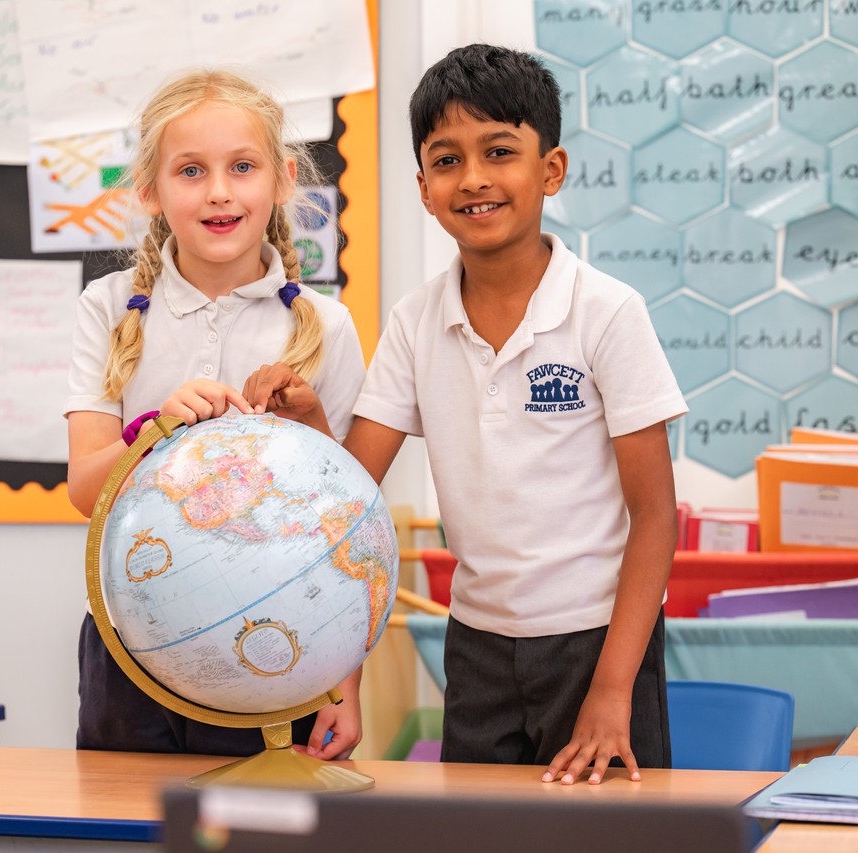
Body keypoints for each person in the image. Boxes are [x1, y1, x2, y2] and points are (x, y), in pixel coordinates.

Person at [245, 43, 687, 784]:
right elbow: (353, 496)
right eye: (447, 160)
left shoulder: (607, 313)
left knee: (609, 835)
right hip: (476, 645)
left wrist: (614, 689)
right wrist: (316, 417)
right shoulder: (417, 322)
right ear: (423, 187)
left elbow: (655, 515)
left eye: (500, 151)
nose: (474, 178)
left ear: (551, 170)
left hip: (598, 645)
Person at [63, 69, 367, 760]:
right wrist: (157, 432)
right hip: (131, 647)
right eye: (191, 170)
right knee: (126, 829)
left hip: (282, 649)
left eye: (243, 166)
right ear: (150, 191)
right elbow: (86, 488)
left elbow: (347, 530)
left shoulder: (327, 325)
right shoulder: (107, 309)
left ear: (283, 179)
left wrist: (344, 684)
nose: (220, 191)